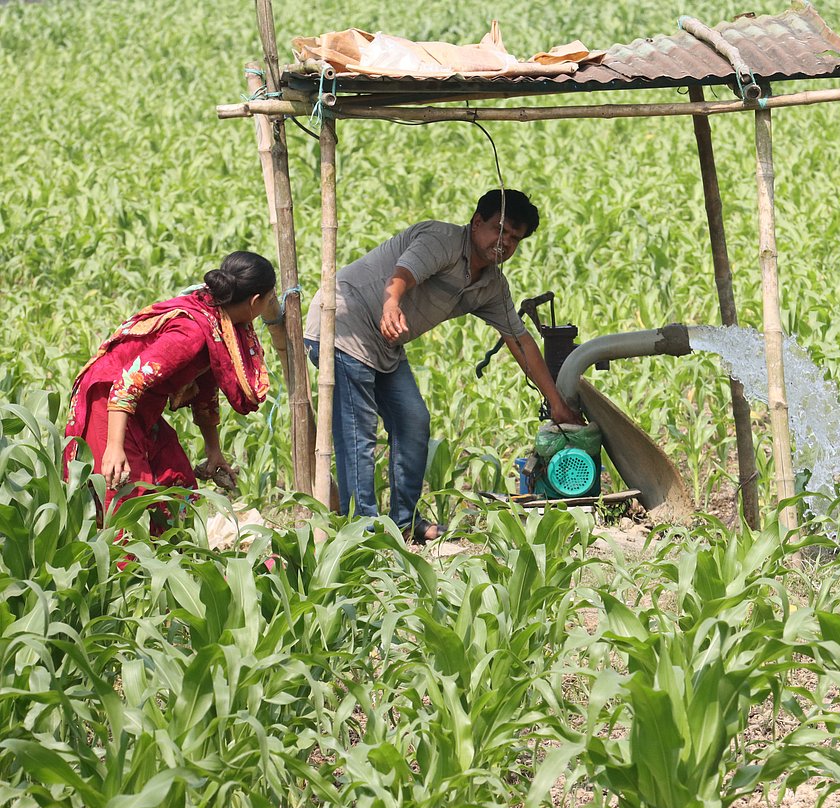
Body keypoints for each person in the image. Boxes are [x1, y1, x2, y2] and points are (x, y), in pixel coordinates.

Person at [304, 189, 582, 543]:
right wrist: (391, 303)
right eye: (500, 229)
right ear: (477, 222)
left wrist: (557, 403)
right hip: (344, 322)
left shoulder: (491, 285)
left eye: (514, 238)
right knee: (359, 434)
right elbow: (404, 273)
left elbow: (520, 340)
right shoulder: (442, 239)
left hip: (385, 344)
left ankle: (404, 522)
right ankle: (362, 533)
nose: (505, 243)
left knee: (413, 421)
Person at [64, 251, 274, 530]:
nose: (270, 306)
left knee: (177, 483)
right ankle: (126, 570)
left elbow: (206, 388)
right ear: (255, 301)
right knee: (127, 504)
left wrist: (214, 451)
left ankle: (172, 564)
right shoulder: (192, 332)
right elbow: (127, 382)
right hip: (110, 404)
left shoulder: (217, 319)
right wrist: (114, 447)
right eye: (270, 300)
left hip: (140, 409)